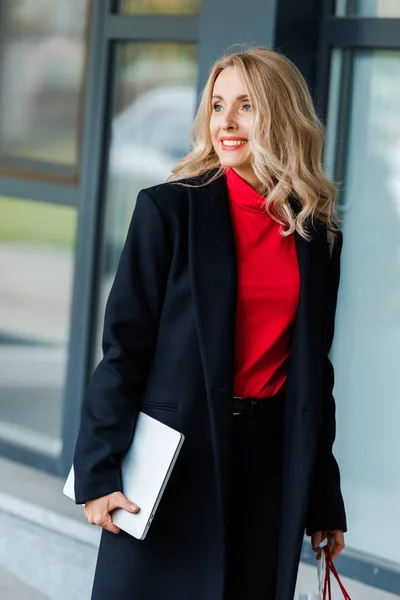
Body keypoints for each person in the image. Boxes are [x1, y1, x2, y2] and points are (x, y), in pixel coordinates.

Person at [73, 46, 347, 600]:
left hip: (269, 469)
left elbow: (314, 373)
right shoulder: (168, 211)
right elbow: (124, 349)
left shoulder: (316, 235)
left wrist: (322, 497)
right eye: (218, 105)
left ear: (280, 115)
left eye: (246, 107)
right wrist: (98, 470)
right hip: (177, 465)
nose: (226, 122)